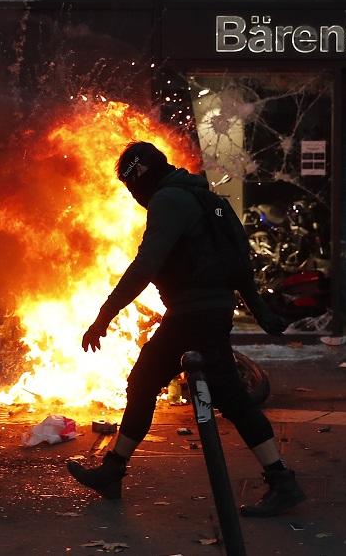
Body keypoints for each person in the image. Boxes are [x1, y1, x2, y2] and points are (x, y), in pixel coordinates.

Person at [67, 141, 305, 518]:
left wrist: (104, 315)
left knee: (192, 390)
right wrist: (258, 310)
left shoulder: (169, 201)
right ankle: (113, 470)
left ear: (139, 177)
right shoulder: (204, 197)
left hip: (193, 313)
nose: (133, 197)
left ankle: (282, 480)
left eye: (130, 187)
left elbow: (146, 265)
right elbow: (239, 263)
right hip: (205, 311)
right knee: (163, 384)